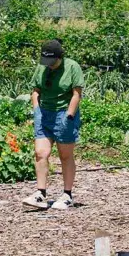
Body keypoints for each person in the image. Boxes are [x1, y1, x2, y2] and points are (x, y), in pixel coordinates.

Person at [22, 40, 84, 211]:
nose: (49, 65)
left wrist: (69, 115)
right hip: (44, 113)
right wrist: (36, 109)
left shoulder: (72, 67)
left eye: (52, 62)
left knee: (65, 155)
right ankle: (40, 193)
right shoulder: (42, 67)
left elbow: (76, 94)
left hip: (64, 113)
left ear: (60, 57)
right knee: (40, 153)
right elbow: (35, 90)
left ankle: (67, 194)